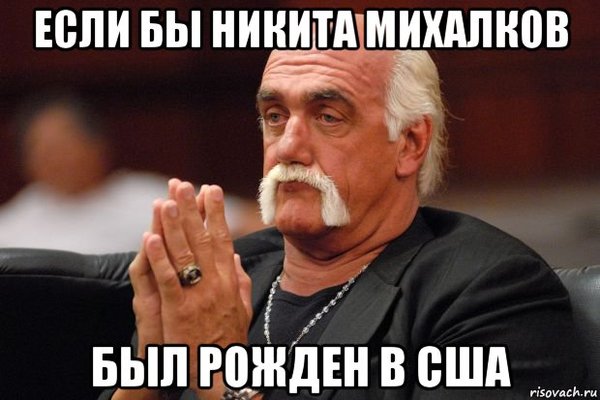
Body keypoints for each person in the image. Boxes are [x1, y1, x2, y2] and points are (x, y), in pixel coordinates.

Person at [106, 15, 585, 400]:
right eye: (275, 116)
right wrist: (150, 367)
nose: (287, 147)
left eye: (328, 117)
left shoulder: (489, 292)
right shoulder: (222, 278)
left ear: (410, 143)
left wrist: (221, 368)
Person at [0, 91, 262, 253]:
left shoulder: (146, 198)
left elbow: (247, 221)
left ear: (97, 144)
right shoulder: (11, 227)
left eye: (64, 145)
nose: (56, 158)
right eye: (43, 149)